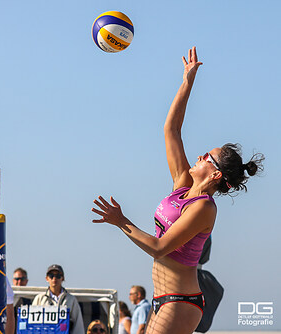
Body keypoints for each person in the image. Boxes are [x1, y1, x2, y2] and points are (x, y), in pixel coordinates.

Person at [92, 47, 264, 334]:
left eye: (205, 157)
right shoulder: (182, 185)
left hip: (181, 301)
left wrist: (121, 221)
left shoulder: (204, 207)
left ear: (215, 173)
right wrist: (187, 82)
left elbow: (160, 248)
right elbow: (171, 129)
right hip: (163, 298)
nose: (199, 157)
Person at [32, 264, 84, 334]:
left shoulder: (71, 300)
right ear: (47, 278)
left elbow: (78, 325)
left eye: (58, 276)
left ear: (62, 278)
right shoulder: (39, 299)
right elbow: (32, 324)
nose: (54, 278)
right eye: (51, 276)